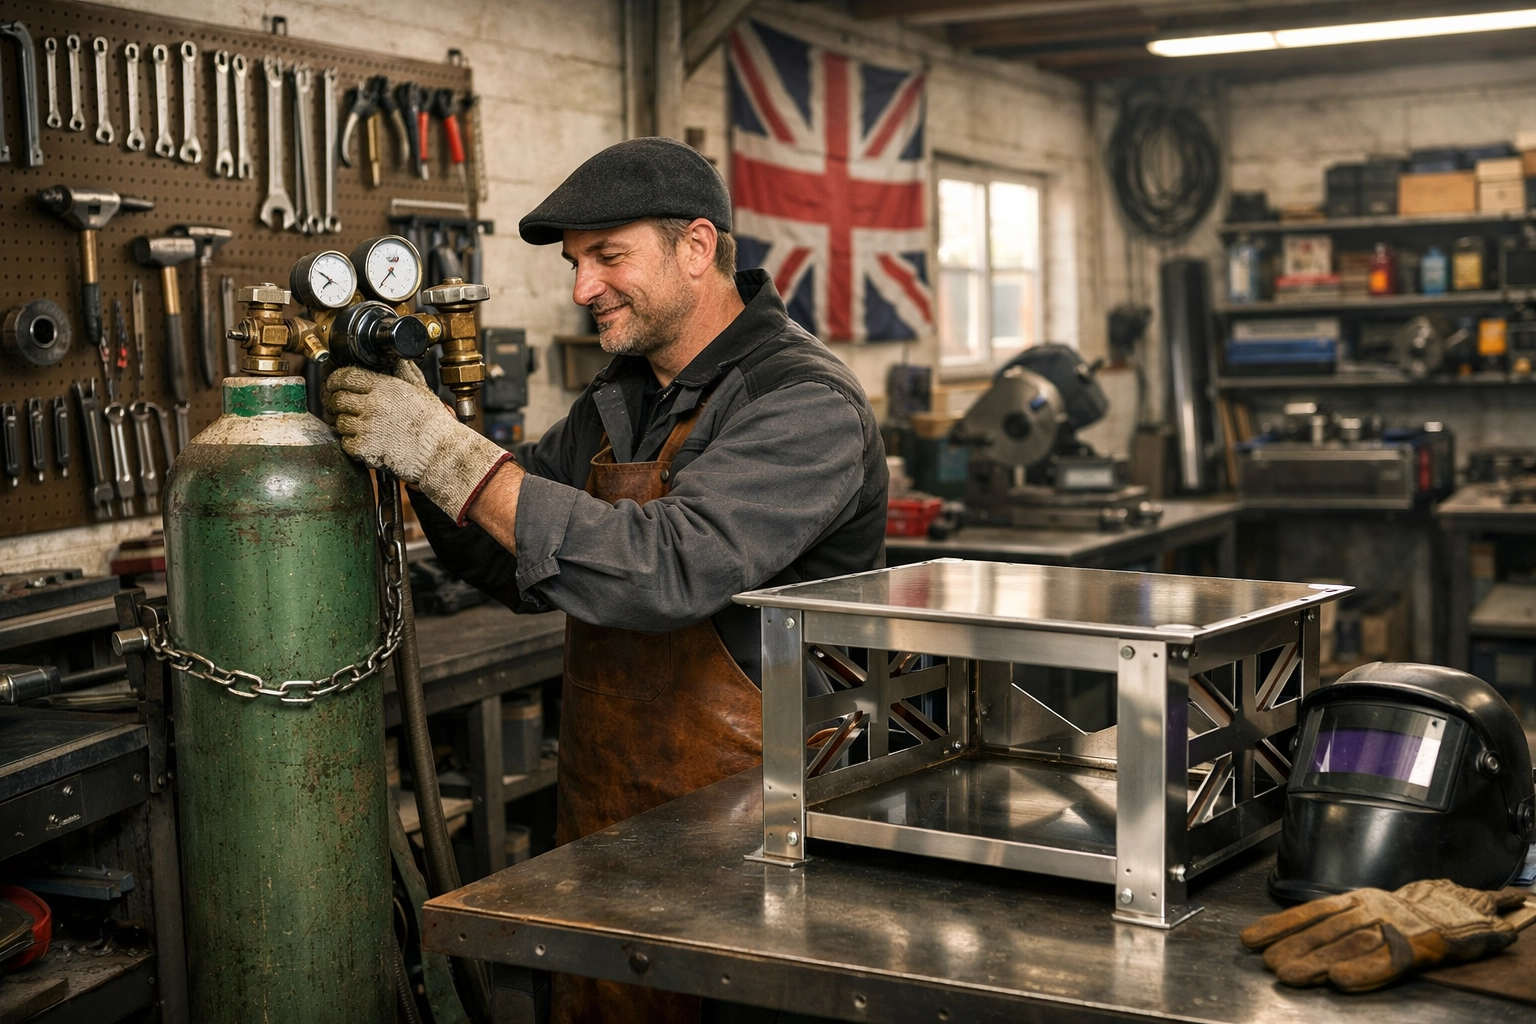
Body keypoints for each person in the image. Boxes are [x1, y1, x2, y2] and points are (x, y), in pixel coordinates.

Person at [323, 137, 889, 1022]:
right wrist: (423, 438)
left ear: (697, 248)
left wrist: (452, 456)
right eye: (577, 264)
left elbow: (666, 568)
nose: (583, 288)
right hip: (613, 820)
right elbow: (500, 560)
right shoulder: (618, 400)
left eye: (609, 257)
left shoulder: (804, 403)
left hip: (766, 839)